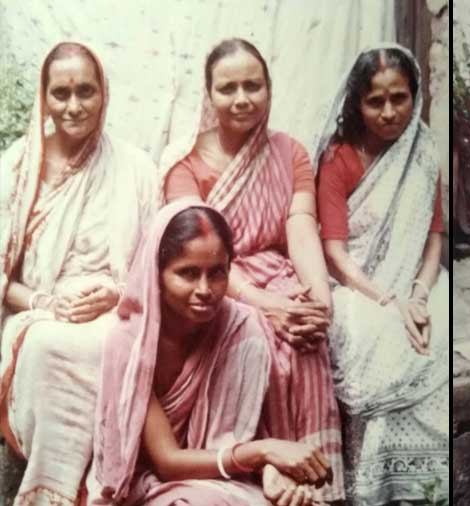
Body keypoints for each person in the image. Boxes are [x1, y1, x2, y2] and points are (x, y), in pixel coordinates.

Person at [159, 38, 343, 503]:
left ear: (269, 89)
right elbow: (199, 261)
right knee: (260, 332)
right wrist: (268, 306)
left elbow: (300, 225)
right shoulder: (184, 165)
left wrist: (318, 297)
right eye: (228, 88)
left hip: (282, 277)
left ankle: (315, 483)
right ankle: (262, 471)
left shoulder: (289, 152)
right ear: (210, 95)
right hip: (221, 285)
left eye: (253, 85)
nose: (242, 98)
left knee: (307, 337)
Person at [92, 203, 332, 506]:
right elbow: (167, 462)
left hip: (225, 478)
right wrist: (263, 452)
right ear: (157, 273)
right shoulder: (130, 341)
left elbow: (241, 434)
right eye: (188, 274)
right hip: (148, 483)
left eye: (217, 273)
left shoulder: (243, 329)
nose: (205, 289)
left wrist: (269, 470)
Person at [0, 42, 156, 504]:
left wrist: (117, 293)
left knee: (113, 342)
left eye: (85, 91)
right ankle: (51, 491)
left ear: (103, 93)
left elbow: (151, 268)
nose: (73, 106)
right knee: (50, 344)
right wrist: (45, 303)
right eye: (60, 93)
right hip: (39, 313)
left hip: (116, 310)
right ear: (44, 98)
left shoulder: (136, 168)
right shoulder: (16, 167)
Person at [314, 44, 449, 505]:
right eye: (376, 101)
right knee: (384, 345)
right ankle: (376, 490)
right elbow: (334, 252)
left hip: (419, 282)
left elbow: (434, 237)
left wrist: (419, 294)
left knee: (436, 344)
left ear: (415, 97)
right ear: (357, 103)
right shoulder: (340, 157)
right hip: (358, 288)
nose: (390, 112)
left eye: (400, 98)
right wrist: (389, 301)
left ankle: (427, 490)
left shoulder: (424, 147)